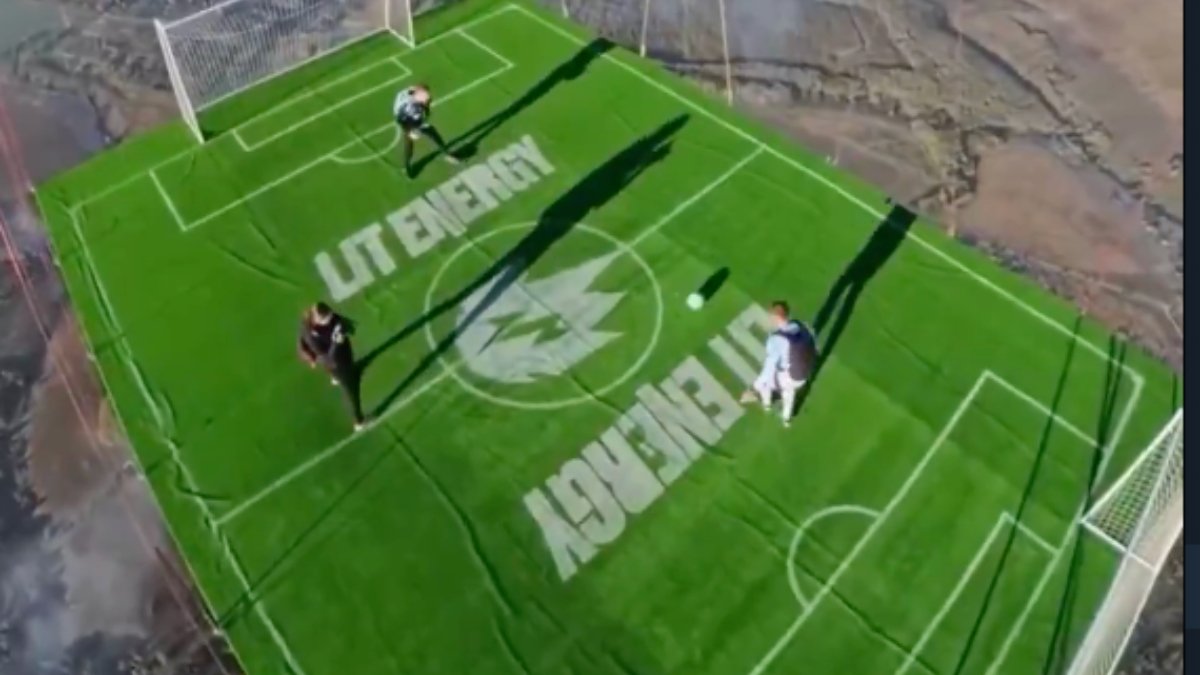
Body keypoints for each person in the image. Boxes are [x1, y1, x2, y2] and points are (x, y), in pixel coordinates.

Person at [740, 301, 818, 426]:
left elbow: (768, 370)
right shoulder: (799, 324)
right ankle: (786, 418)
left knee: (767, 384)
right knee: (788, 387)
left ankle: (766, 404)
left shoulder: (776, 339)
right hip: (809, 368)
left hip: (793, 377)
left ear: (775, 317)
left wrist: (753, 388)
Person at [298, 302, 366, 431]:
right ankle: (359, 421)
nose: (330, 320)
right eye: (326, 319)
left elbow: (339, 321)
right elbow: (329, 357)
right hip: (337, 363)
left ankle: (335, 377)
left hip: (340, 356)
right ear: (317, 320)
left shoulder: (313, 318)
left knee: (334, 370)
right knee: (352, 390)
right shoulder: (312, 337)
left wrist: (346, 326)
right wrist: (336, 343)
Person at [393, 83, 459, 177]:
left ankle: (408, 166)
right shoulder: (414, 109)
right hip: (407, 118)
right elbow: (418, 118)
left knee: (411, 139)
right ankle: (447, 153)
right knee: (429, 133)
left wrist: (425, 106)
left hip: (401, 112)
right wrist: (415, 128)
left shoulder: (410, 92)